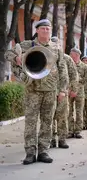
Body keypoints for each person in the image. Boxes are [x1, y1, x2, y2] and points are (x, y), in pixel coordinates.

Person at [5, 19, 68, 164]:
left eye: (48, 28)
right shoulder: (27, 45)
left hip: (50, 90)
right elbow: (7, 54)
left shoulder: (56, 48)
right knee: (31, 122)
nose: (46, 31)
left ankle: (44, 151)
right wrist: (17, 58)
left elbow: (63, 69)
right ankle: (30, 152)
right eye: (43, 28)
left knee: (47, 121)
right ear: (37, 30)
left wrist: (63, 90)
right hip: (32, 90)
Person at [50, 37, 79, 149]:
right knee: (49, 117)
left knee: (62, 116)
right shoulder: (46, 57)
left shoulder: (67, 59)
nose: (56, 47)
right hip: (49, 92)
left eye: (57, 45)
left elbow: (74, 74)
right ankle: (51, 140)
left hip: (63, 92)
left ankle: (62, 139)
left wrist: (74, 89)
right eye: (53, 45)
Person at [68, 48, 87, 139]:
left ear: (77, 55)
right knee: (68, 111)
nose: (70, 56)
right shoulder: (68, 65)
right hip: (69, 91)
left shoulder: (85, 67)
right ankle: (70, 130)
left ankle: (77, 131)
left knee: (79, 111)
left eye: (72, 55)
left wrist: (77, 83)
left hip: (79, 92)